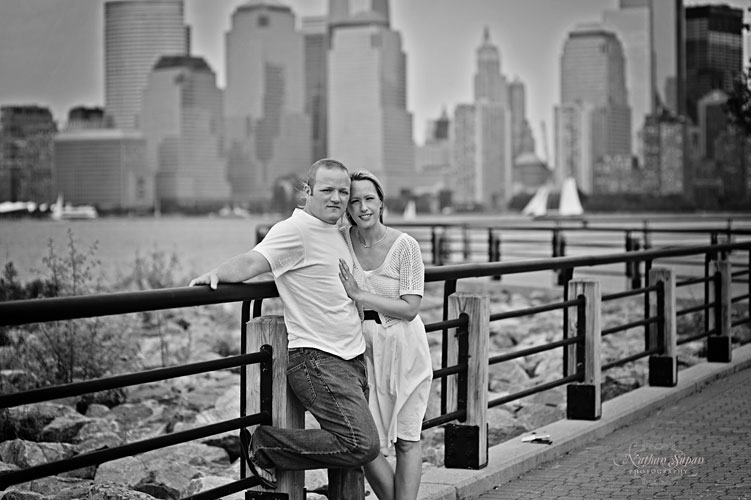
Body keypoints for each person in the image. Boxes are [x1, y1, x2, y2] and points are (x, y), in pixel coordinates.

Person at [189, 159, 380, 500]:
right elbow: (253, 260)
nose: (336, 198)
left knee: (350, 465)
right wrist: (217, 272)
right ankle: (266, 445)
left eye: (343, 192)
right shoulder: (294, 231)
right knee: (360, 445)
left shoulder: (336, 232)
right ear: (308, 191)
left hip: (351, 357)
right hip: (318, 359)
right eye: (326, 190)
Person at [337, 170, 433, 500]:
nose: (362, 207)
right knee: (366, 444)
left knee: (407, 438)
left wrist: (359, 295)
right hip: (363, 350)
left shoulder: (405, 246)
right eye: (354, 201)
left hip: (405, 345)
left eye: (369, 199)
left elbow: (410, 308)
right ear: (346, 208)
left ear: (381, 203)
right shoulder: (342, 242)